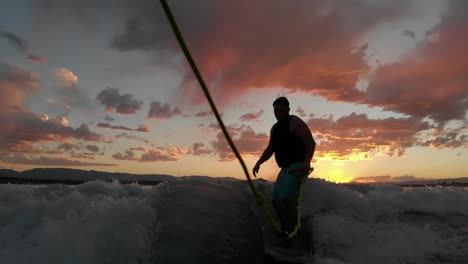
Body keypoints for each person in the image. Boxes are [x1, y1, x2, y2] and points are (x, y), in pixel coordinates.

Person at [253, 97, 316, 244]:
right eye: (276, 110)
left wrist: (306, 162)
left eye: (282, 110)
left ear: (288, 109)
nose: (279, 113)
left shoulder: (295, 122)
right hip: (284, 169)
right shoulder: (274, 128)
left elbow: (310, 142)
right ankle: (286, 228)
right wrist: (258, 162)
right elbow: (270, 149)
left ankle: (296, 232)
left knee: (286, 199)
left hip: (297, 166)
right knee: (275, 201)